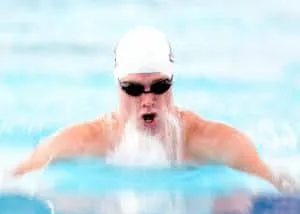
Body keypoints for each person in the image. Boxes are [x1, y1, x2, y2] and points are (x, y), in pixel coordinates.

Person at [10, 26, 294, 192]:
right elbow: (15, 177)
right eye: (133, 89)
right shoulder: (82, 141)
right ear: (118, 85)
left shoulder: (214, 141)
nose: (147, 100)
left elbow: (279, 186)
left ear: (172, 83)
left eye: (159, 86)